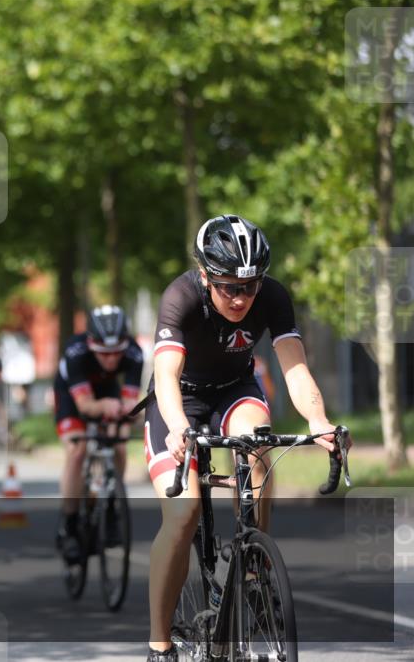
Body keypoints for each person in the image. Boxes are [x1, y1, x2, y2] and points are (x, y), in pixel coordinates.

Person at [144, 215, 345, 661]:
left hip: (235, 391)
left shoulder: (271, 296)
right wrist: (178, 427)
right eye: (228, 286)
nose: (240, 298)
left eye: (249, 287)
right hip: (180, 399)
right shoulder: (181, 296)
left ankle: (253, 570)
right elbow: (165, 374)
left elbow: (293, 367)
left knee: (258, 440)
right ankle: (159, 645)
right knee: (183, 515)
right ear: (205, 276)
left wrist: (319, 420)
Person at [53, 305, 144, 562]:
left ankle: (113, 503)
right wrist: (106, 407)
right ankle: (70, 526)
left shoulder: (134, 353)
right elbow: (85, 407)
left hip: (107, 389)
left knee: (119, 444)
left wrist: (126, 414)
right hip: (72, 397)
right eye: (104, 353)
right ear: (91, 343)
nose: (112, 359)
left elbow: (128, 402)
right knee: (77, 449)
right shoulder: (75, 352)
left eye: (117, 353)